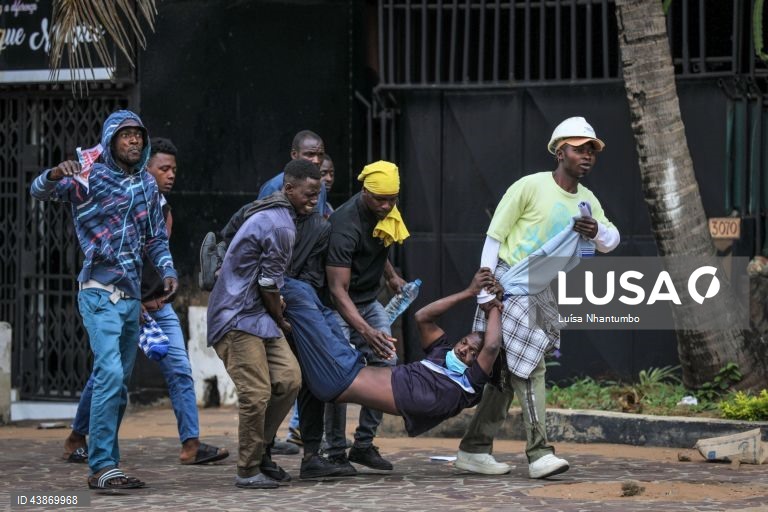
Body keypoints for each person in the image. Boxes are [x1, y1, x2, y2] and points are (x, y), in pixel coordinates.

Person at [454, 116, 620, 479]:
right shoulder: (529, 187)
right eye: (579, 149)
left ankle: (473, 448)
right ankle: (540, 452)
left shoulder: (588, 202)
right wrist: (485, 290)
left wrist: (597, 230)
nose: (587, 156)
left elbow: (611, 241)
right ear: (560, 152)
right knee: (531, 370)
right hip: (506, 283)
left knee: (505, 373)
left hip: (538, 291)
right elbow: (494, 237)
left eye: (592, 150)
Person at [30, 110, 178, 489]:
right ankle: (101, 466)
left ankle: (106, 463)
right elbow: (38, 191)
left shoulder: (147, 185)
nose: (133, 141)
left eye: (138, 136)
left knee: (118, 384)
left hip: (131, 299)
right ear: (111, 139)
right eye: (125, 135)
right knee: (110, 373)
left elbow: (155, 238)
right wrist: (54, 174)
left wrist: (168, 271)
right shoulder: (88, 176)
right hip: (98, 292)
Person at [61, 138, 228, 468]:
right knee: (109, 375)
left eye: (174, 170)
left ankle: (191, 445)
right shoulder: (120, 204)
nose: (170, 175)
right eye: (163, 168)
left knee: (180, 370)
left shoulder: (162, 207)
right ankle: (77, 438)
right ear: (144, 169)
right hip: (124, 302)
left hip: (158, 306)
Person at [206, 159, 320, 489]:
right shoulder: (281, 225)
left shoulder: (281, 215)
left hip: (257, 316)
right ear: (289, 189)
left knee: (289, 379)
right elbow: (269, 284)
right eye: (308, 193)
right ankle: (248, 468)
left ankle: (261, 449)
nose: (314, 200)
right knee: (256, 393)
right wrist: (281, 317)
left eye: (317, 194)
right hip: (236, 316)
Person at [283, 267, 502, 437]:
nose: (463, 350)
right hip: (347, 365)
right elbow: (423, 316)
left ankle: (264, 275)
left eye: (473, 352)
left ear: (480, 365)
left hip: (339, 377)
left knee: (296, 294)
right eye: (464, 342)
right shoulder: (440, 353)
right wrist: (468, 293)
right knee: (311, 297)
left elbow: (491, 346)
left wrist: (493, 305)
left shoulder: (467, 386)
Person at [324, 160, 410, 471]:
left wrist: (390, 276)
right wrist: (365, 331)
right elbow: (337, 290)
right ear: (365, 192)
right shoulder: (344, 225)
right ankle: (333, 450)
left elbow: (380, 243)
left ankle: (362, 444)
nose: (387, 206)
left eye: (393, 199)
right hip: (338, 306)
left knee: (387, 363)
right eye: (380, 199)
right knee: (340, 374)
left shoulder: (387, 209)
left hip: (368, 298)